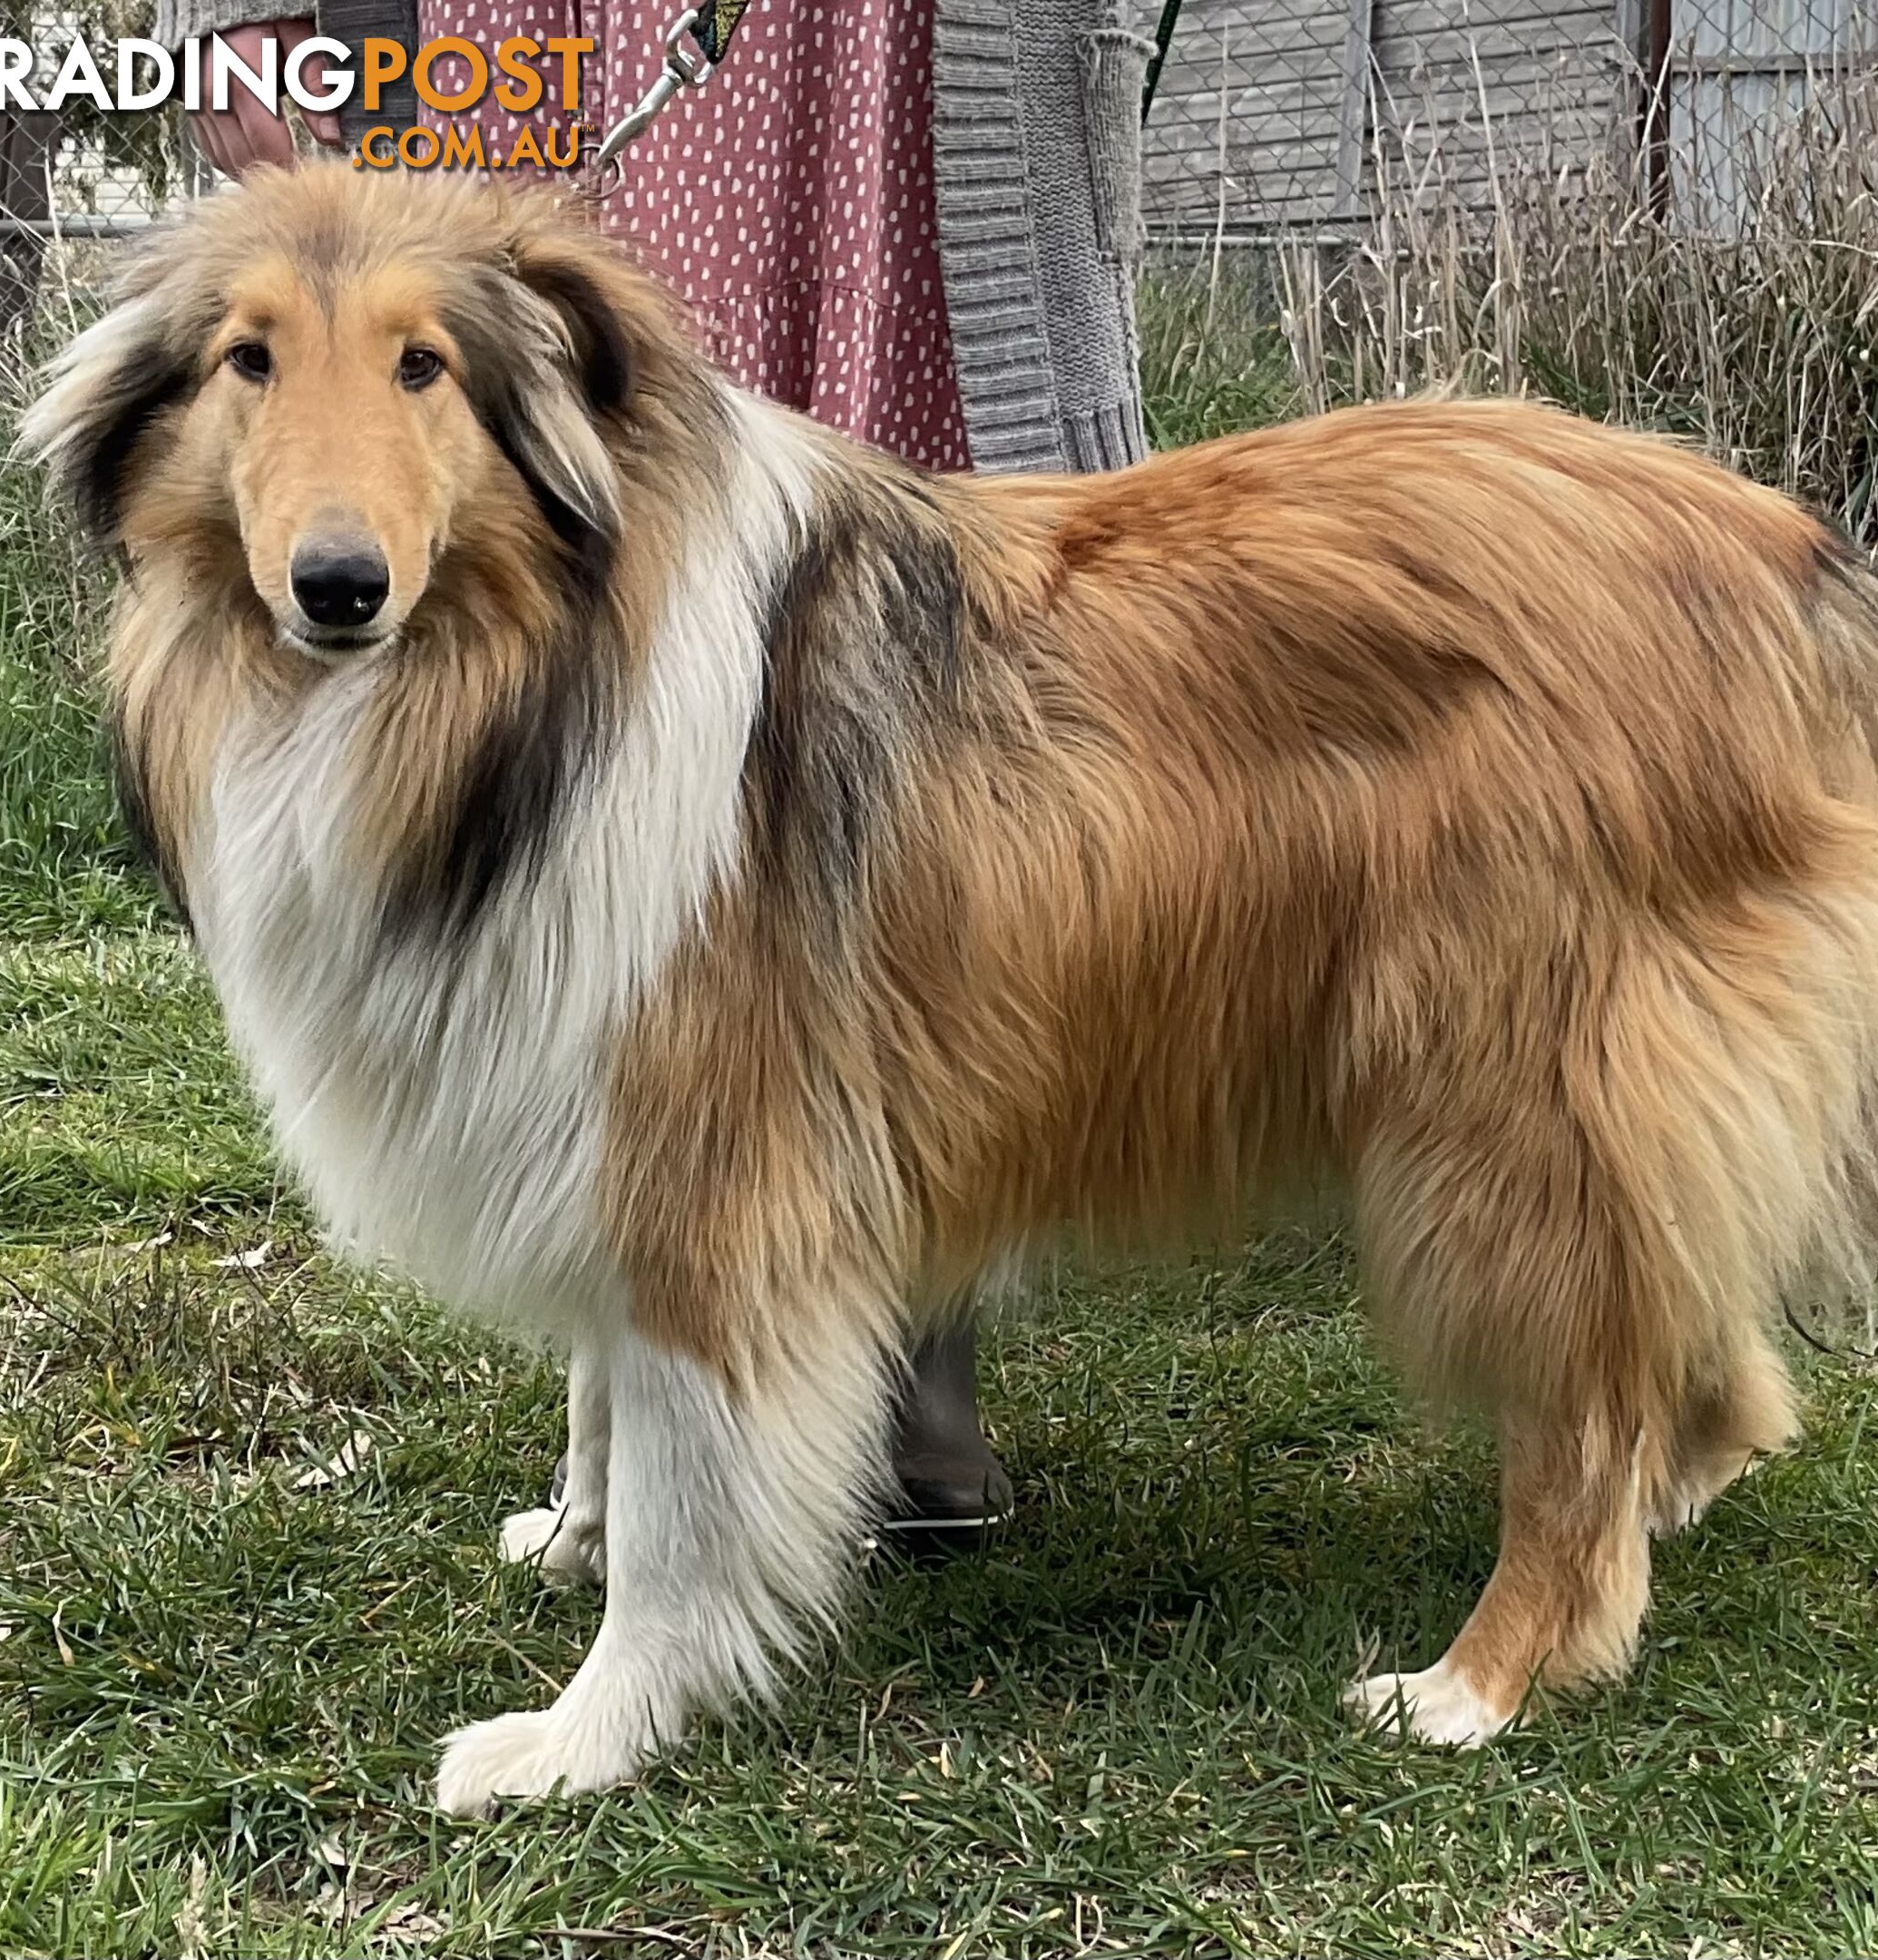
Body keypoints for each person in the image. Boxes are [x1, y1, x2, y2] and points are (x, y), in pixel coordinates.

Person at [159, 0, 1159, 1536]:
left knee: (874, 757)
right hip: (566, 47)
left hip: (889, 65)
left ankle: (889, 1329)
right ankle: (626, 1422)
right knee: (588, 748)